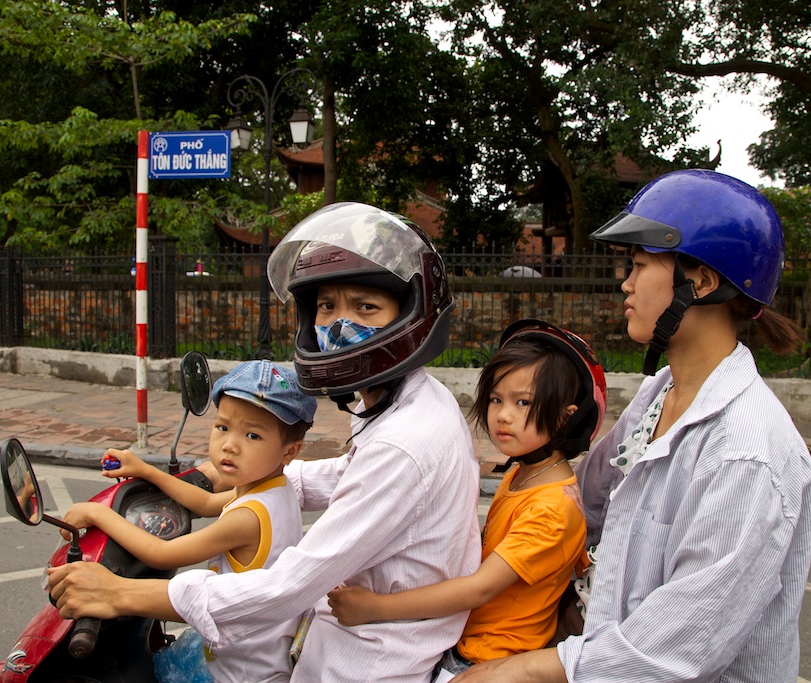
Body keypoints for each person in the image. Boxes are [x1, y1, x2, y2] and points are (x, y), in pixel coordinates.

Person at [47, 202, 482, 682]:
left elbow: (286, 587)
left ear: (411, 313)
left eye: (365, 307)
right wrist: (230, 471)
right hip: (361, 634)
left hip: (367, 662)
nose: (339, 325)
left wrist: (117, 594)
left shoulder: (404, 442)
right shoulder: (412, 401)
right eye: (326, 306)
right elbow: (348, 474)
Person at [454, 169, 811, 682]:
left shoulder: (746, 455)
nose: (625, 282)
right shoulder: (660, 391)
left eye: (641, 265)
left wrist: (523, 669)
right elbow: (588, 504)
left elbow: (677, 646)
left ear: (703, 282)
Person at [327, 319, 607, 677]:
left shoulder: (551, 511)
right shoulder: (523, 472)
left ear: (568, 418)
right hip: (463, 640)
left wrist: (374, 607)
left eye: (524, 402)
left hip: (487, 660)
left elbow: (477, 589)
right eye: (496, 399)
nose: (503, 415)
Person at [61, 359, 317, 683]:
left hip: (243, 673)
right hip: (252, 650)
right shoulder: (273, 488)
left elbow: (161, 554)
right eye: (223, 427)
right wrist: (145, 469)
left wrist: (99, 513)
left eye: (252, 435)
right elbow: (207, 502)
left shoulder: (248, 519)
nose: (230, 444)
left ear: (289, 452)